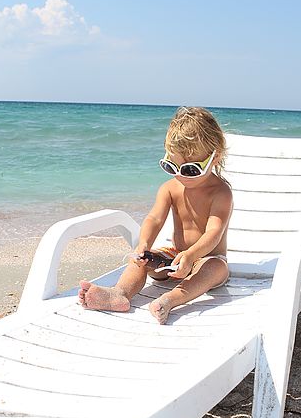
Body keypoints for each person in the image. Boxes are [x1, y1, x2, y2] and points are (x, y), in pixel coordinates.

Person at [78, 106, 233, 324]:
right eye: (171, 167)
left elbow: (214, 233)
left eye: (190, 170)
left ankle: (170, 300)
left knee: (216, 269)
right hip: (174, 256)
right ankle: (120, 293)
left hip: (206, 258)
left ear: (214, 158)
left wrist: (190, 257)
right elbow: (154, 219)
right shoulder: (170, 188)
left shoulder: (221, 193)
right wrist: (143, 244)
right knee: (141, 259)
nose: (180, 176)